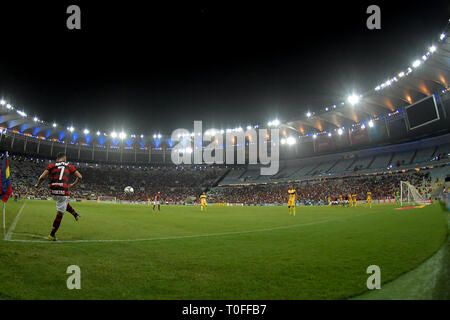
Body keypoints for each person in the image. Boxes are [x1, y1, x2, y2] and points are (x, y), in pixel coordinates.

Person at [34, 152, 82, 241]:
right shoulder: (70, 166)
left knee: (63, 202)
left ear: (57, 159)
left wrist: (37, 184)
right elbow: (80, 176)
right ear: (65, 159)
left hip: (53, 191)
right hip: (63, 191)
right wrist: (72, 185)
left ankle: (75, 214)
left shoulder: (52, 165)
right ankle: (52, 234)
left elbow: (42, 177)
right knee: (60, 213)